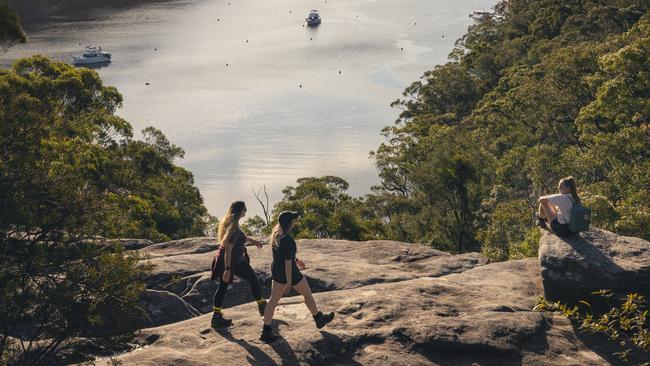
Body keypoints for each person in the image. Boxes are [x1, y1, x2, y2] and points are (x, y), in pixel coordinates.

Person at [260, 211, 334, 343]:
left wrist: (297, 259)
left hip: (277, 272)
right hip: (291, 274)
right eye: (293, 220)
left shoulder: (276, 235)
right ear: (290, 223)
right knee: (307, 294)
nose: (295, 221)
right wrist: (288, 283)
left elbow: (285, 256)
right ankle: (318, 318)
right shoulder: (288, 240)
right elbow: (288, 263)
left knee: (272, 301)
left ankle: (266, 331)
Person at [210, 201, 266, 328]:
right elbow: (228, 249)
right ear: (241, 211)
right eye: (245, 209)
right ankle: (262, 306)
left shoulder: (231, 223)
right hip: (232, 261)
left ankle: (216, 317)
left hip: (231, 260)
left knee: (223, 287)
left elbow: (240, 238)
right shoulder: (233, 228)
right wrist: (228, 269)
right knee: (253, 279)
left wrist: (253, 241)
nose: (246, 211)